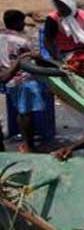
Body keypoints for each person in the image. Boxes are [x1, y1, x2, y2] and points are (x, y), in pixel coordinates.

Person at [1, 10, 45, 153]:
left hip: (7, 78)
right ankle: (28, 144)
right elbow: (35, 60)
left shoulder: (1, 36)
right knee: (25, 113)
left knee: (22, 110)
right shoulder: (23, 41)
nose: (23, 25)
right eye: (21, 22)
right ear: (15, 23)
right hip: (22, 79)